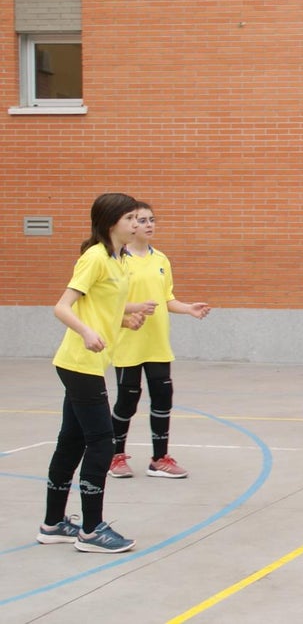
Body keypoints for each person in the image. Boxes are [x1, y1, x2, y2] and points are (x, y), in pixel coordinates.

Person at [38, 192, 149, 553]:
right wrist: (86, 332)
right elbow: (63, 307)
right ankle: (91, 531)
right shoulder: (95, 257)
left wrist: (124, 319)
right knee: (102, 441)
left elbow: (101, 304)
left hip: (88, 364)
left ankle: (53, 524)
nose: (137, 224)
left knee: (71, 441)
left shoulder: (118, 259)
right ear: (111, 222)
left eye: (138, 218)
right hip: (79, 362)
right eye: (130, 218)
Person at [109, 202, 211, 480]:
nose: (148, 225)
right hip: (128, 341)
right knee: (127, 401)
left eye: (152, 220)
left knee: (163, 397)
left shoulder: (161, 259)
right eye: (142, 220)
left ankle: (159, 459)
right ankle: (114, 456)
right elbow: (108, 302)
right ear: (130, 224)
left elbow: (167, 298)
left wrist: (188, 308)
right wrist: (130, 313)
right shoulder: (118, 259)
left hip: (157, 343)